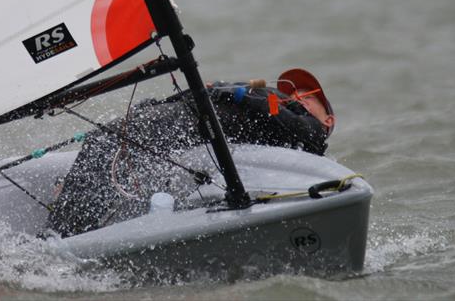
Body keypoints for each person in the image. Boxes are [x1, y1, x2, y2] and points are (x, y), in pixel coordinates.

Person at [45, 68, 336, 238]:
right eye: (293, 92)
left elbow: (305, 134)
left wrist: (240, 96)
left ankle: (59, 235)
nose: (297, 96)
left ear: (328, 120)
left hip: (185, 125)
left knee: (108, 144)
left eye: (307, 97)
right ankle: (69, 221)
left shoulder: (308, 128)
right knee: (102, 140)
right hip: (181, 118)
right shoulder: (274, 104)